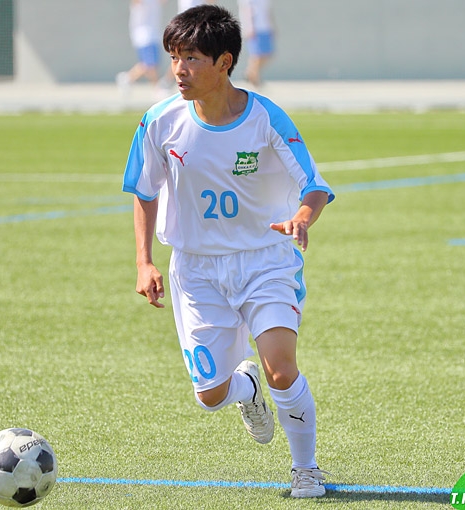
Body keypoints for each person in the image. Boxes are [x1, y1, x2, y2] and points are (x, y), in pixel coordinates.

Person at [122, 5, 334, 498]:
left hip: (265, 259)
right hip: (196, 270)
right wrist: (143, 261)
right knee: (210, 395)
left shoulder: (265, 118)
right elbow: (145, 192)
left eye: (192, 59)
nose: (179, 70)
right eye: (174, 57)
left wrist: (302, 217)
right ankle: (246, 389)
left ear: (225, 62)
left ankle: (306, 469)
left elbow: (315, 186)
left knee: (281, 368)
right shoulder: (159, 121)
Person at [116, 0, 164, 93]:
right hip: (144, 35)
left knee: (148, 64)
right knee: (150, 64)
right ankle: (157, 89)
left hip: (154, 34)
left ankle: (128, 78)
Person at [238, 0, 275, 87]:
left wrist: (272, 26)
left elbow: (268, 11)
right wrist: (249, 27)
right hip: (255, 29)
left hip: (266, 28)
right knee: (256, 55)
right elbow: (246, 10)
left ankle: (249, 73)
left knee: (267, 54)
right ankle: (255, 80)